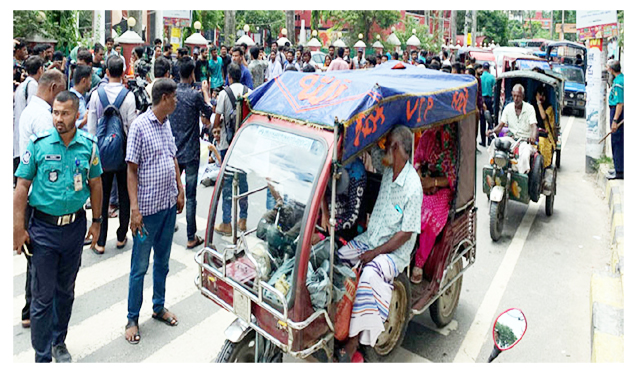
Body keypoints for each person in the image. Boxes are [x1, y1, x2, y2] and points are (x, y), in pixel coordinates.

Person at [13, 90, 103, 362]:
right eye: (55, 112)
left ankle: (58, 341)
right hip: (43, 230)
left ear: (77, 116)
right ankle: (42, 357)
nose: (58, 118)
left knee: (65, 292)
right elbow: (21, 187)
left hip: (74, 228)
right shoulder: (38, 144)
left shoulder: (88, 145)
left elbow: (96, 184)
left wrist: (97, 221)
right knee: (42, 298)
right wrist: (17, 228)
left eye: (64, 113)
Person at [335, 125, 422, 361]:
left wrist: (374, 253)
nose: (383, 148)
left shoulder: (413, 187)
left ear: (395, 147)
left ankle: (354, 342)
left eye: (387, 144)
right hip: (371, 239)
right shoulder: (387, 170)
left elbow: (405, 234)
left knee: (370, 275)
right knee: (340, 257)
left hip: (394, 253)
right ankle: (338, 318)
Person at [124, 78, 185, 344]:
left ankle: (158, 306)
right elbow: (131, 170)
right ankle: (132, 318)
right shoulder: (139, 126)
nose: (176, 101)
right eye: (174, 97)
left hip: (167, 205)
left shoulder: (166, 123)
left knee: (162, 262)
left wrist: (179, 189)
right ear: (163, 99)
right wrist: (134, 210)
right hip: (146, 212)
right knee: (139, 266)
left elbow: (172, 156)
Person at [87, 56, 137, 254]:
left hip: (101, 153)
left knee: (102, 194)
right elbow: (132, 127)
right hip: (123, 153)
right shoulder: (129, 96)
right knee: (124, 194)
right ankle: (121, 235)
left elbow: (92, 128)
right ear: (123, 73)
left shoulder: (96, 95)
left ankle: (100, 241)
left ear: (106, 72)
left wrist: (93, 154)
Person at [168, 57, 212, 248]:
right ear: (192, 73)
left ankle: (168, 229)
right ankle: (191, 236)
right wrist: (206, 94)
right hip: (192, 152)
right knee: (191, 195)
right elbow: (208, 112)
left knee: (171, 193)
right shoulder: (195, 96)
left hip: (174, 151)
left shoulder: (172, 94)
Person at [410, 125, 457, 283]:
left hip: (444, 188)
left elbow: (453, 178)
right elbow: (417, 160)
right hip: (424, 181)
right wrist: (420, 179)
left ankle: (419, 263)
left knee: (428, 215)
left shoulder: (452, 143)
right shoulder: (427, 137)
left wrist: (434, 182)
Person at [213, 63, 253, 236]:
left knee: (227, 184)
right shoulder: (249, 92)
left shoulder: (224, 94)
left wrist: (215, 130)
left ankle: (227, 222)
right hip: (244, 143)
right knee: (243, 182)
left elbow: (217, 117)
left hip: (227, 144)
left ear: (229, 76)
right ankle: (243, 220)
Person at [488, 84, 538, 174]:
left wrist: (533, 136)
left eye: (518, 96)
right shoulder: (508, 108)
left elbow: (534, 126)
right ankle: (493, 167)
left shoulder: (530, 109)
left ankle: (521, 175)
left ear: (523, 96)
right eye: (514, 96)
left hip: (524, 140)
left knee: (525, 153)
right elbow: (501, 125)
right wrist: (492, 131)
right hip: (511, 138)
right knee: (494, 143)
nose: (516, 99)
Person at [19, 69, 66, 158]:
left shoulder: (30, 110)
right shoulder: (42, 115)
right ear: (53, 88)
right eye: (61, 93)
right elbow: (50, 152)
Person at [14, 56, 44, 185]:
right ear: (40, 70)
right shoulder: (32, 85)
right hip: (28, 132)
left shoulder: (22, 85)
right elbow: (34, 110)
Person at [607, 60, 624, 180]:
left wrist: (615, 121)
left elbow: (620, 103)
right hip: (617, 113)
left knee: (617, 142)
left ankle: (619, 170)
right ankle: (618, 167)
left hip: (617, 114)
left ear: (611, 70)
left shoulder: (618, 83)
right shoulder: (621, 78)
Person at [533, 86, 556, 169]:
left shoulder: (548, 107)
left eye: (543, 95)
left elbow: (543, 116)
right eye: (539, 95)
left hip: (544, 135)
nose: (541, 97)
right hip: (532, 132)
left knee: (541, 143)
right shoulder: (531, 106)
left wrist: (538, 103)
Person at [69, 65, 92, 130]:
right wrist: (84, 121)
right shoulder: (71, 100)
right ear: (84, 81)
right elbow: (69, 125)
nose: (90, 83)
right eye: (89, 80)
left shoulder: (81, 98)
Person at [481, 61, 496, 144]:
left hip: (482, 100)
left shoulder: (480, 78)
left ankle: (483, 141)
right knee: (490, 120)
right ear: (489, 68)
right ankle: (489, 140)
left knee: (482, 121)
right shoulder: (492, 77)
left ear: (483, 68)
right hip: (489, 100)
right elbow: (495, 88)